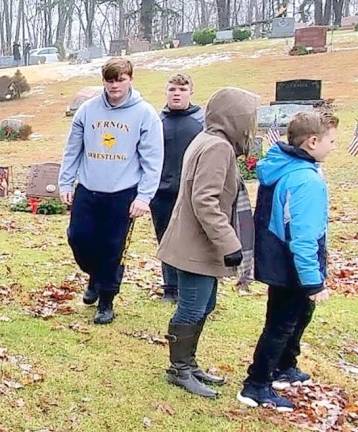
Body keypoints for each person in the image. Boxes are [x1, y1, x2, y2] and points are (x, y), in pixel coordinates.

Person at [157, 87, 259, 398]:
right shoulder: (218, 147)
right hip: (196, 245)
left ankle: (188, 362)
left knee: (205, 304)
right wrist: (231, 244)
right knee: (191, 308)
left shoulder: (208, 139)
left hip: (195, 241)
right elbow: (205, 200)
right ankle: (179, 369)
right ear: (235, 118)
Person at [237, 111, 338, 412]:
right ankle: (256, 385)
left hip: (278, 256)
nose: (334, 147)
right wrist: (313, 280)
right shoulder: (305, 179)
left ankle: (284, 366)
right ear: (312, 142)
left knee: (297, 314)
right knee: (281, 324)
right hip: (292, 262)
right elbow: (304, 236)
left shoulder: (286, 166)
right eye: (331, 141)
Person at [58, 57, 163, 325]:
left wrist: (144, 196)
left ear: (130, 79)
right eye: (109, 80)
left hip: (122, 193)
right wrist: (65, 182)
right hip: (88, 189)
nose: (114, 85)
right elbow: (73, 149)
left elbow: (153, 159)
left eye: (120, 79)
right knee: (77, 238)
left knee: (112, 248)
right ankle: (94, 275)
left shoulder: (145, 114)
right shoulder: (87, 110)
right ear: (103, 81)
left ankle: (106, 300)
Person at [151, 73, 204, 303]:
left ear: (191, 92)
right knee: (166, 241)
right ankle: (170, 288)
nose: (177, 94)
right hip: (161, 193)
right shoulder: (156, 122)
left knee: (189, 241)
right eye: (172, 89)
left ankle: (189, 288)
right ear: (166, 91)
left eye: (182, 90)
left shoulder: (201, 123)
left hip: (190, 193)